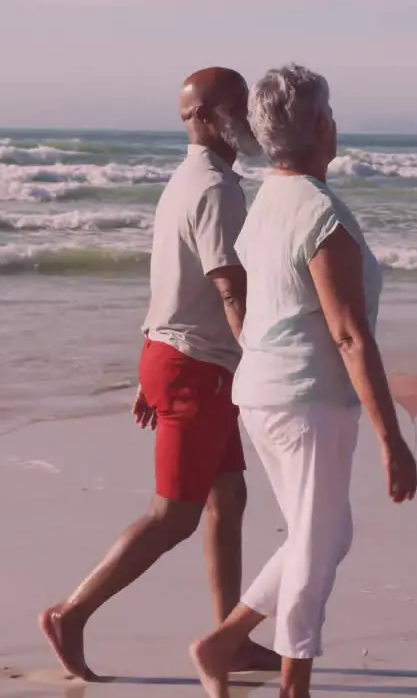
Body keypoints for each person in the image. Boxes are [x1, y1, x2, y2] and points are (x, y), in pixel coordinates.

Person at [39, 67, 281, 681]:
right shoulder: (216, 189)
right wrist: (268, 359)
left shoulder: (193, 180)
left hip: (183, 358)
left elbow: (171, 279)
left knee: (230, 496)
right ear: (205, 117)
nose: (250, 119)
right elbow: (230, 288)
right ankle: (71, 613)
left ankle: (230, 636)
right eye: (237, 108)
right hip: (197, 364)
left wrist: (153, 365)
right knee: (173, 514)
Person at [188, 64, 417, 698]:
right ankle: (295, 687)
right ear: (322, 126)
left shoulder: (269, 199)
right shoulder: (321, 214)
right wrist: (390, 438)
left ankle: (222, 642)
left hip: (264, 393)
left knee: (325, 535)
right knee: (315, 553)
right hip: (307, 400)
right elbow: (349, 336)